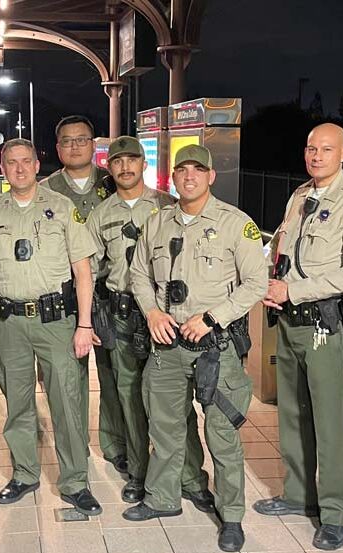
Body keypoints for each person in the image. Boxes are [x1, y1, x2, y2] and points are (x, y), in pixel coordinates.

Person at [123, 144, 267, 552]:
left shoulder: (235, 224)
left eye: (197, 170)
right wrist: (151, 312)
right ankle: (165, 498)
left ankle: (232, 515)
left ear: (210, 176)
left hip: (214, 348)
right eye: (182, 170)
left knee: (222, 434)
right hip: (166, 345)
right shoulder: (157, 222)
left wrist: (212, 317)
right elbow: (138, 274)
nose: (189, 176)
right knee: (165, 427)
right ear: (172, 176)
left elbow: (255, 283)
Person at [0, 138, 102, 515]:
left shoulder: (62, 207)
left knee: (66, 403)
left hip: (57, 321)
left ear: (38, 165)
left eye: (26, 161)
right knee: (17, 403)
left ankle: (75, 481)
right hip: (8, 324)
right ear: (2, 168)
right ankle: (24, 473)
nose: (19, 168)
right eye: (11, 162)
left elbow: (83, 272)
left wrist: (84, 324)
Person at [255, 123, 343, 551]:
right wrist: (273, 284)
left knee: (329, 422)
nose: (316, 155)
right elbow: (282, 251)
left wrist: (293, 290)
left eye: (326, 149)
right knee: (291, 413)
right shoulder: (299, 195)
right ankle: (298, 495)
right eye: (310, 147)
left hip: (326, 326)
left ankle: (335, 512)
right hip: (289, 321)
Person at [85, 136, 213, 507]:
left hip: (167, 318)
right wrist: (91, 316)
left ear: (144, 164)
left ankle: (191, 478)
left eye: (132, 161)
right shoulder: (101, 214)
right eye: (117, 162)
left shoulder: (169, 207)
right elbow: (90, 270)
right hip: (123, 316)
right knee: (129, 397)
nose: (125, 168)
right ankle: (140, 474)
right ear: (109, 168)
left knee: (176, 403)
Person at [39, 115, 127, 475]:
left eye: (82, 139)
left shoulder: (113, 184)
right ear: (58, 147)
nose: (75, 146)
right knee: (67, 379)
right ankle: (74, 451)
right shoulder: (45, 189)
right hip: (62, 297)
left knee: (112, 374)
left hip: (107, 293)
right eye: (67, 141)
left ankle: (114, 444)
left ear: (94, 145)